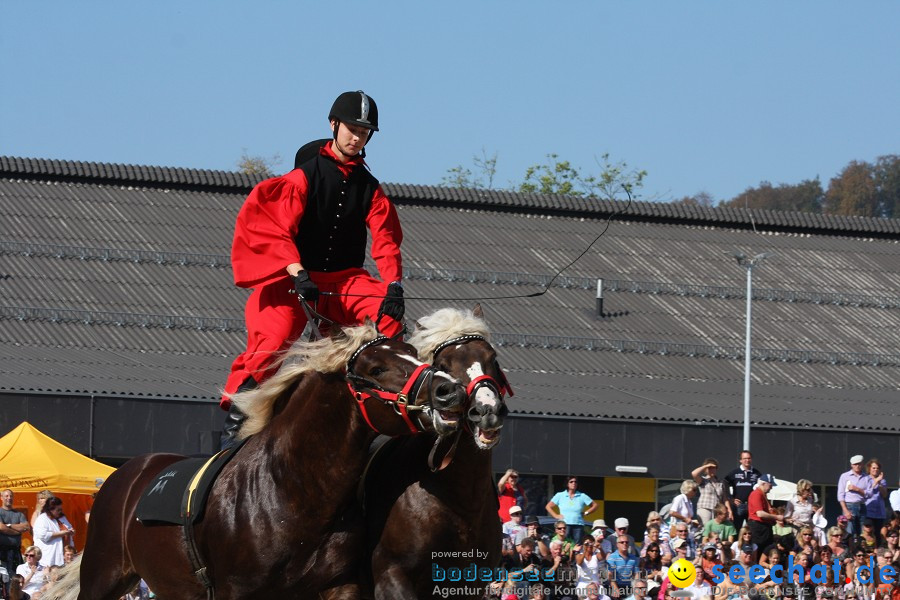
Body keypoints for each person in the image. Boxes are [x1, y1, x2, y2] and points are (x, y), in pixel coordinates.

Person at [220, 90, 405, 447]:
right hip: (294, 280)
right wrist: (296, 271)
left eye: (365, 132)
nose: (357, 137)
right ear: (334, 125)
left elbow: (386, 240)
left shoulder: (371, 189)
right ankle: (234, 427)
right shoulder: (302, 177)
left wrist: (394, 286)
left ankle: (378, 398)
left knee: (388, 311)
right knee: (270, 344)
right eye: (352, 128)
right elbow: (276, 228)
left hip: (343, 280)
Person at [546, 476, 597, 541]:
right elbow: (548, 506)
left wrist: (586, 512)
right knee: (564, 544)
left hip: (578, 525)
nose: (574, 483)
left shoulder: (582, 495)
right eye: (571, 482)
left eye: (575, 482)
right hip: (564, 525)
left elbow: (595, 505)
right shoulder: (560, 495)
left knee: (577, 545)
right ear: (567, 484)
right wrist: (555, 515)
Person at [1, 489, 30, 597]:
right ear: (1, 498)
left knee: (16, 578)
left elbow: (26, 526)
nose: (9, 498)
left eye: (11, 496)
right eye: (6, 496)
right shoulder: (0, 512)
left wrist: (8, 525)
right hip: (2, 552)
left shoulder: (19, 514)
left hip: (16, 552)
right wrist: (17, 531)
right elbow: (1, 527)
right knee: (4, 578)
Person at [723, 450, 762, 533]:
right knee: (736, 530)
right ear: (740, 460)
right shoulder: (734, 473)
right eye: (744, 458)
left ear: (751, 459)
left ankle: (751, 546)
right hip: (738, 506)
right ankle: (736, 545)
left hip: (752, 506)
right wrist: (731, 499)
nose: (747, 460)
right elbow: (724, 484)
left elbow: (761, 489)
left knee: (752, 530)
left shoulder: (757, 473)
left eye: (749, 458)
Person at [32, 497, 73, 567]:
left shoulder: (61, 518)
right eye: (58, 510)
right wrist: (62, 533)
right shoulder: (42, 519)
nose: (60, 511)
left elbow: (69, 527)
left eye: (61, 509)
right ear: (50, 509)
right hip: (48, 559)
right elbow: (43, 535)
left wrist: (71, 531)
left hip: (63, 558)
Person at [692, 459, 733, 525]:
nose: (712, 470)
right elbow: (694, 474)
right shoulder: (703, 480)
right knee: (705, 528)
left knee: (715, 530)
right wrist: (706, 466)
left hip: (717, 510)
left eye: (714, 468)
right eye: (710, 468)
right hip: (705, 508)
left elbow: (724, 498)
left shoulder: (720, 482)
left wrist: (729, 510)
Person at [747, 473, 781, 551]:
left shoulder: (763, 495)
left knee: (767, 550)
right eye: (770, 485)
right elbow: (760, 513)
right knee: (760, 550)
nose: (771, 488)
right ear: (763, 484)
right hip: (758, 528)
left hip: (764, 527)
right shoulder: (757, 494)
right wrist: (776, 517)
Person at [838, 454, 868, 540]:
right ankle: (850, 551)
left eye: (859, 464)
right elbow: (840, 495)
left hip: (862, 505)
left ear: (862, 464)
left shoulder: (866, 477)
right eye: (855, 464)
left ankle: (861, 551)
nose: (857, 466)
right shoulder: (845, 476)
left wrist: (857, 489)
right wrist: (845, 510)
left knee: (862, 532)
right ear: (851, 465)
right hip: (849, 505)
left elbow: (869, 494)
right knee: (849, 532)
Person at [863, 458, 888, 546]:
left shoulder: (883, 481)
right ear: (869, 468)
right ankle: (868, 554)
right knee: (868, 533)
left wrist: (880, 482)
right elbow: (867, 492)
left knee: (878, 534)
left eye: (877, 468)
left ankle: (877, 554)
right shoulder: (865, 479)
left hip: (879, 512)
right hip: (868, 511)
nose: (875, 470)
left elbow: (884, 494)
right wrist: (876, 481)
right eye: (873, 468)